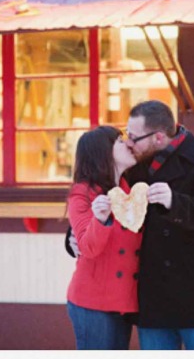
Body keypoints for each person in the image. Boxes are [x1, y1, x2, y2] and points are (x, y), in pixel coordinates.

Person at [124, 101, 194, 350]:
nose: (129, 142)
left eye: (134, 137)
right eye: (126, 135)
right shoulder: (134, 164)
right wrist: (75, 234)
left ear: (159, 137)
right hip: (153, 296)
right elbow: (109, 201)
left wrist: (174, 201)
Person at [66, 126, 140, 349]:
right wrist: (100, 219)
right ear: (103, 152)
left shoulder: (131, 192)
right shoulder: (82, 195)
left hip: (123, 301)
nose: (128, 143)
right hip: (93, 301)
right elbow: (87, 247)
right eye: (119, 141)